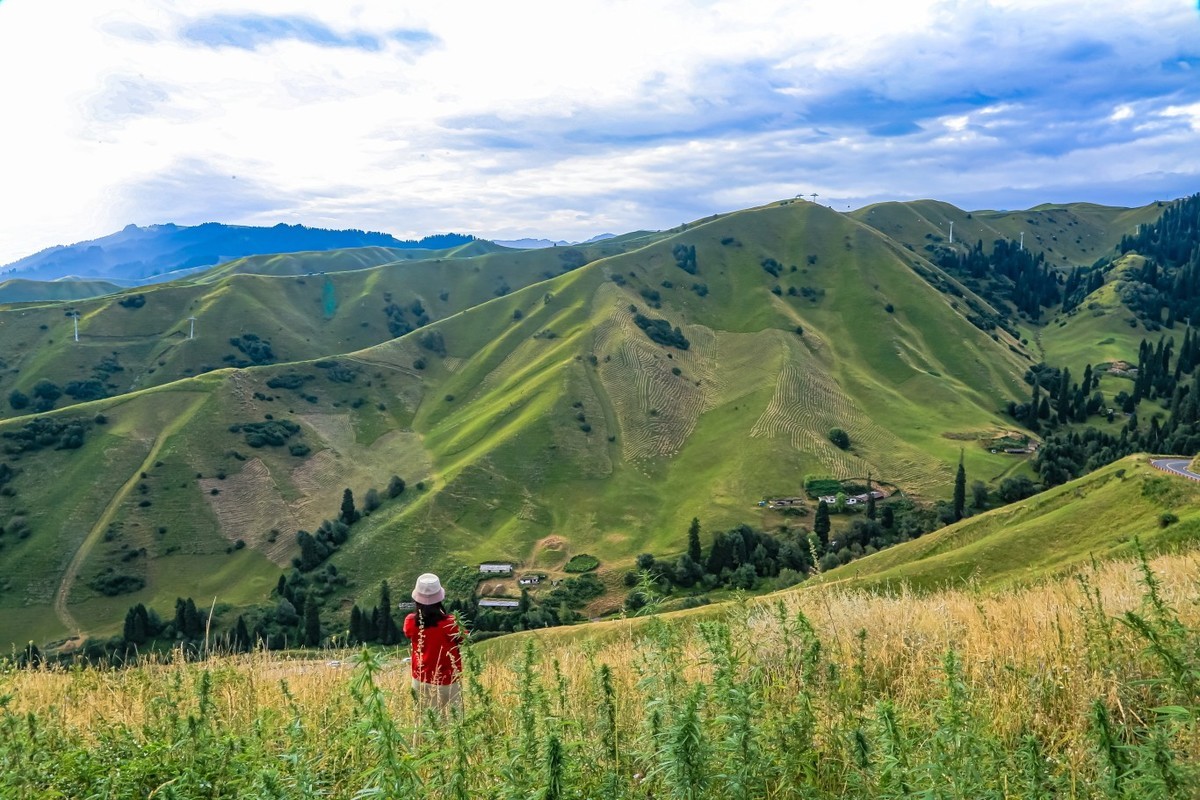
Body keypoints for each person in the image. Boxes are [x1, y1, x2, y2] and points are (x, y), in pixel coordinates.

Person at [404, 572, 463, 713]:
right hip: (449, 680)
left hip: (421, 679)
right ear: (439, 599)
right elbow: (463, 638)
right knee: (453, 723)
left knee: (424, 723)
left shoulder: (410, 621)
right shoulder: (451, 623)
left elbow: (408, 633)